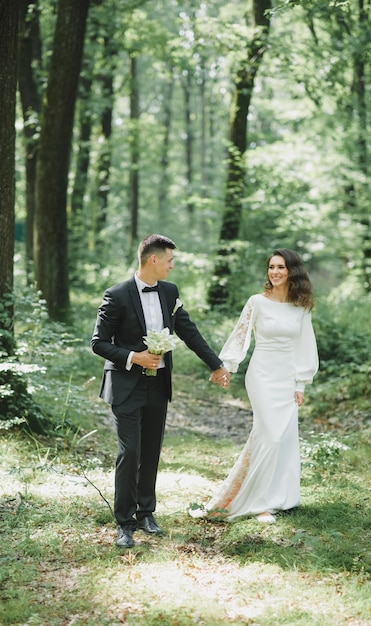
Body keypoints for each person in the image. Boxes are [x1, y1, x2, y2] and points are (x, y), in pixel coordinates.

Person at [91, 234, 230, 548]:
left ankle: (146, 513)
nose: (172, 265)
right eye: (169, 260)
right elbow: (98, 343)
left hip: (158, 383)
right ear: (152, 259)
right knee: (130, 452)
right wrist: (133, 357)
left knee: (151, 450)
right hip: (126, 385)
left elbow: (188, 330)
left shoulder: (169, 292)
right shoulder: (117, 295)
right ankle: (124, 524)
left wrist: (216, 364)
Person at [189, 249, 319, 524]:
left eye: (281, 267)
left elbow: (305, 346)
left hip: (287, 378)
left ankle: (282, 497)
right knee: (269, 434)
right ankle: (260, 503)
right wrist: (227, 366)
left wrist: (301, 384)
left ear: (292, 271)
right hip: (262, 375)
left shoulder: (301, 307)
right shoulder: (257, 302)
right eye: (271, 267)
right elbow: (240, 336)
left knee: (284, 437)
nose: (275, 272)